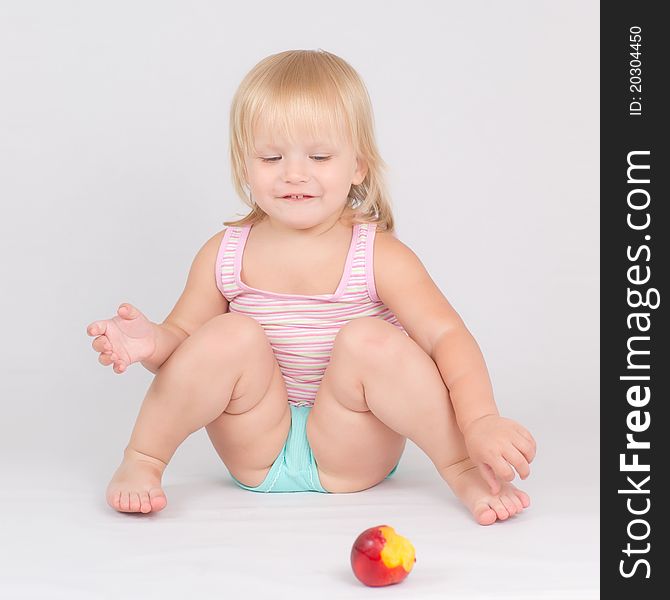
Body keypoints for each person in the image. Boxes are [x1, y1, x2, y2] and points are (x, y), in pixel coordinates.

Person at [86, 49, 536, 525]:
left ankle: (463, 468)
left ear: (358, 166)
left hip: (353, 447)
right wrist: (153, 341)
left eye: (319, 156)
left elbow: (447, 337)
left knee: (370, 340)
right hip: (254, 444)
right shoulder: (225, 252)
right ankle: (143, 459)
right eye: (271, 156)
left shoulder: (378, 254)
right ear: (244, 165)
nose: (294, 173)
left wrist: (481, 419)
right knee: (227, 334)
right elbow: (183, 347)